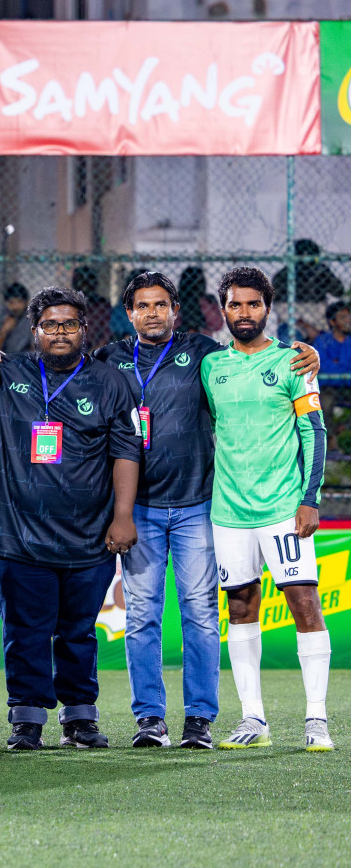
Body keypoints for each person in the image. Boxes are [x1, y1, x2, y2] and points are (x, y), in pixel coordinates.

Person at [93, 272, 319, 749]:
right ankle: (149, 719)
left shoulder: (205, 354)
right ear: (128, 313)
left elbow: (254, 360)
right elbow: (64, 371)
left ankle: (199, 719)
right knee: (140, 617)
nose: (152, 313)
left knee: (200, 614)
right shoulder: (109, 359)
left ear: (176, 309)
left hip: (200, 504)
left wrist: (307, 358)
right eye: (142, 306)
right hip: (140, 509)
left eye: (161, 304)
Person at [0, 286, 141, 751]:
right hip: (20, 533)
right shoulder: (7, 372)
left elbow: (126, 449)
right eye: (50, 324)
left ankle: (80, 719)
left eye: (69, 324)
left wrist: (122, 516)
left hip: (89, 534)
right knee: (24, 631)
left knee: (77, 632)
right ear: (34, 331)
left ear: (83, 328)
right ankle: (26, 720)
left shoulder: (110, 381)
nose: (60, 332)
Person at [203, 267, 333, 751]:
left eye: (253, 304)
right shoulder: (212, 366)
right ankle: (253, 719)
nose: (244, 313)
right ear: (223, 309)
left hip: (283, 509)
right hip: (228, 512)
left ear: (267, 307)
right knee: (239, 607)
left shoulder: (295, 362)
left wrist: (309, 498)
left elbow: (314, 432)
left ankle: (316, 719)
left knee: (304, 604)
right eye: (235, 304)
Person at [0, 282, 33, 355]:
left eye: (19, 302)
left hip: (25, 359)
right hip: (3, 358)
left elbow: (35, 349)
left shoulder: (31, 318)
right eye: (11, 303)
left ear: (27, 302)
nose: (15, 307)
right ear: (5, 303)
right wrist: (4, 331)